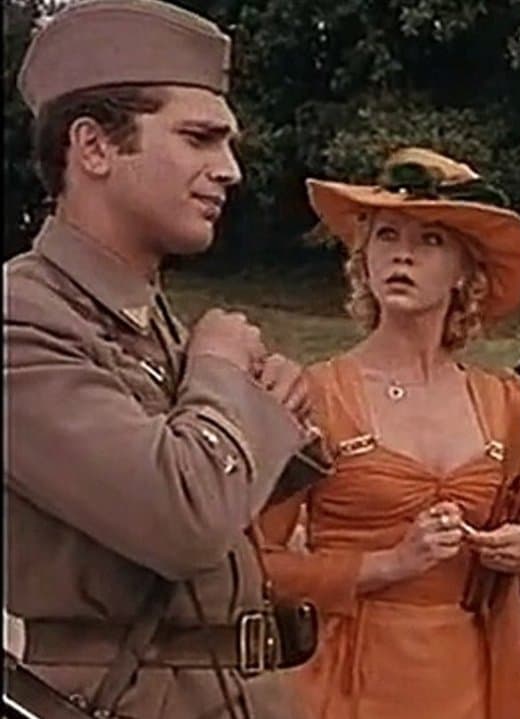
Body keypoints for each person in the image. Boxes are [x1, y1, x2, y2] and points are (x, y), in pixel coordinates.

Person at [3, 1, 330, 718]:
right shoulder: (21, 318)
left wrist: (273, 406)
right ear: (93, 147)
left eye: (227, 144)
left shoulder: (147, 317)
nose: (230, 170)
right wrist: (220, 373)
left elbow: (227, 493)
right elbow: (185, 522)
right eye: (199, 138)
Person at [255, 147, 520, 719]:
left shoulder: (505, 401)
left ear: (464, 272)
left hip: (471, 684)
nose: (402, 255)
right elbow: (256, 566)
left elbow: (515, 549)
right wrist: (387, 564)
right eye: (386, 235)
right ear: (364, 258)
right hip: (349, 686)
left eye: (430, 240)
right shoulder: (316, 396)